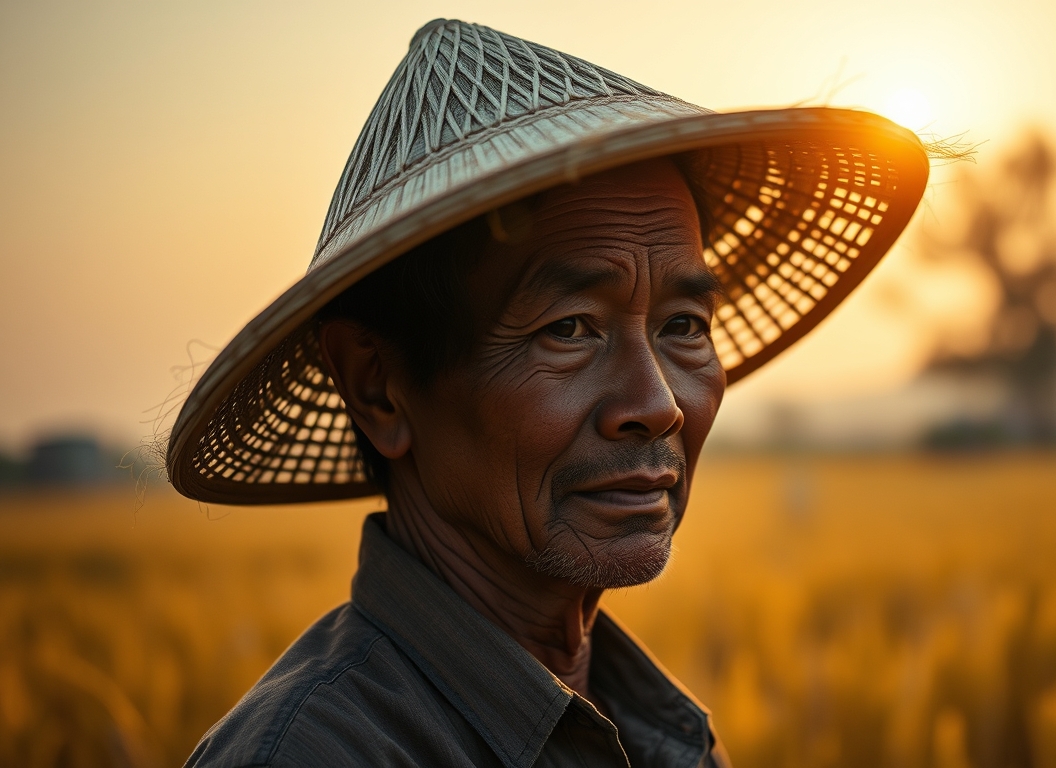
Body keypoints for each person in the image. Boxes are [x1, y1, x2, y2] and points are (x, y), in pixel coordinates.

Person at [168, 18, 930, 768]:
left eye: (685, 324)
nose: (658, 403)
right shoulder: (311, 755)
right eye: (569, 329)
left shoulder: (657, 732)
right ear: (380, 388)